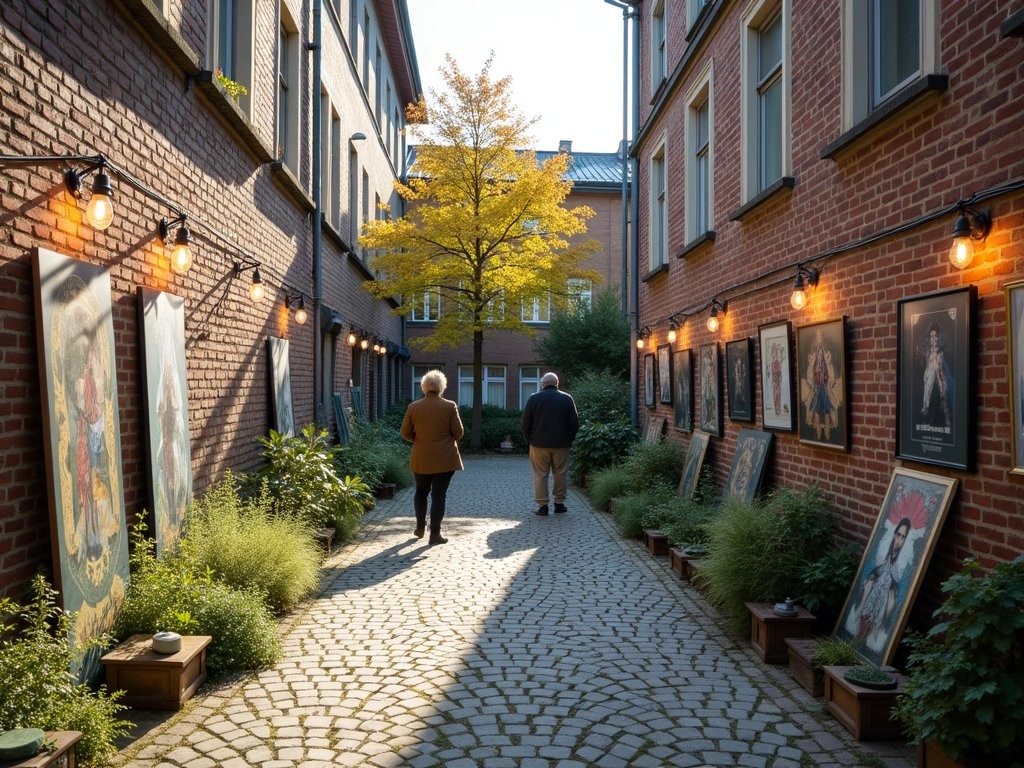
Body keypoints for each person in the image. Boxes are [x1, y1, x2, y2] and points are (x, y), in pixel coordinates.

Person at [400, 369, 464, 545]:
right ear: (442, 387)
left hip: (421, 456)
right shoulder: (450, 406)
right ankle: (435, 534)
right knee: (439, 495)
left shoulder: (414, 407)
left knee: (421, 491)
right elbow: (459, 433)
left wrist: (420, 441)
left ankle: (420, 527)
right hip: (445, 458)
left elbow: (404, 432)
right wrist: (445, 440)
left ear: (423, 387)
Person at [521, 372, 580, 516]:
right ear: (557, 383)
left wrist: (530, 439)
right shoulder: (567, 398)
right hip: (561, 444)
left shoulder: (534, 399)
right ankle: (559, 504)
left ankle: (543, 506)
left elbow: (525, 424)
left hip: (538, 444)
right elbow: (575, 423)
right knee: (560, 473)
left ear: (543, 384)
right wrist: (569, 438)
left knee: (540, 474)